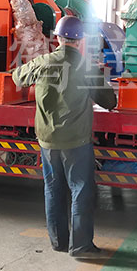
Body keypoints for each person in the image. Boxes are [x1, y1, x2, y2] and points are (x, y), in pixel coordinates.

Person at [12, 16, 117, 259]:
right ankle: (80, 246)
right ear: (80, 40)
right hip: (76, 141)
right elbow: (109, 102)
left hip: (48, 140)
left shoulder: (42, 62)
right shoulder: (86, 67)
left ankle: (59, 241)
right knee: (80, 190)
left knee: (53, 188)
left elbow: (17, 77)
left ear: (57, 38)